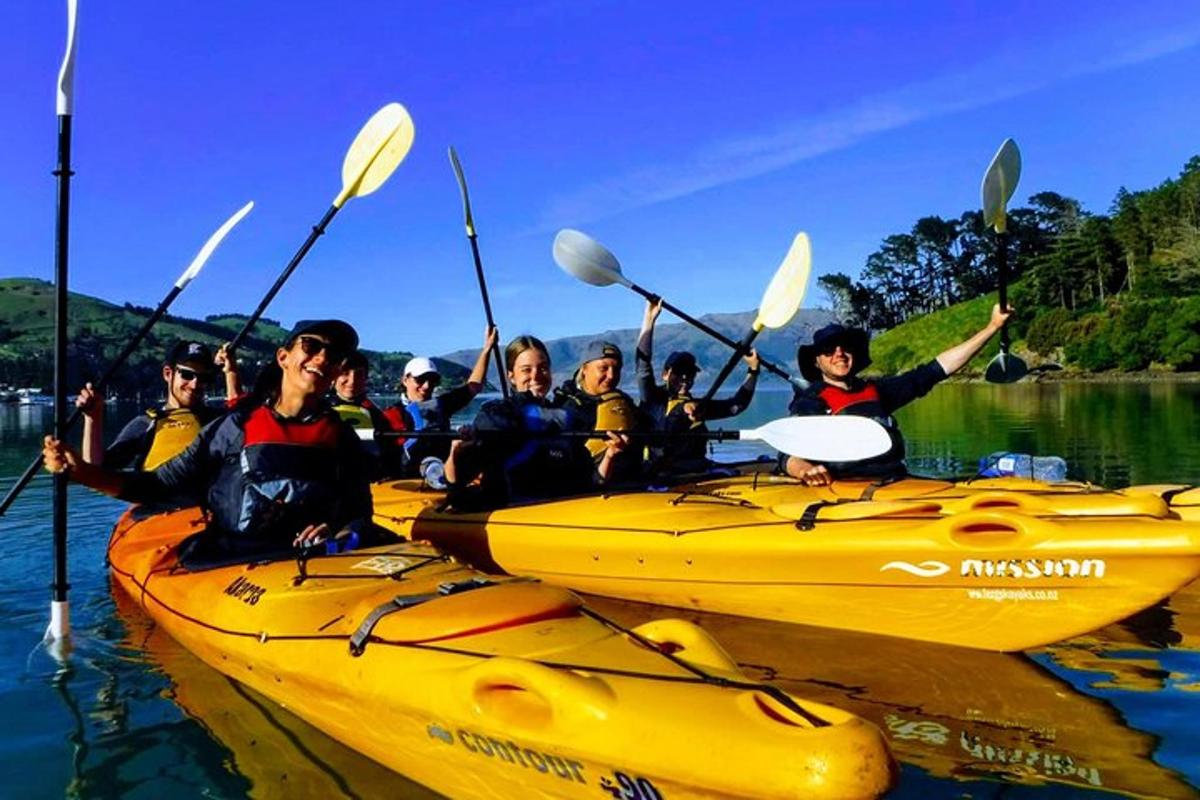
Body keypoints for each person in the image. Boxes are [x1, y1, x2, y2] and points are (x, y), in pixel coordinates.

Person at [44, 320, 376, 559]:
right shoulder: (234, 427)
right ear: (283, 357)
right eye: (311, 346)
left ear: (335, 371)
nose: (322, 358)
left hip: (314, 559)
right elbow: (156, 486)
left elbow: (360, 512)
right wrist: (83, 473)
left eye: (333, 355)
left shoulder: (340, 437)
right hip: (237, 559)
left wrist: (340, 536)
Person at [780, 304, 1013, 485]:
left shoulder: (876, 391)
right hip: (846, 489)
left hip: (896, 482)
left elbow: (937, 369)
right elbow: (786, 455)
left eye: (845, 347)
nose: (839, 354)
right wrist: (804, 470)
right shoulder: (811, 402)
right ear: (817, 362)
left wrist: (991, 327)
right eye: (829, 350)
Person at [445, 335, 627, 509]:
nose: (536, 375)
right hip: (513, 513)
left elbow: (591, 481)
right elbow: (459, 482)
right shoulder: (498, 415)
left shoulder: (565, 416)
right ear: (511, 376)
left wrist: (611, 454)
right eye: (526, 370)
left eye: (543, 368)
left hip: (564, 510)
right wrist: (457, 452)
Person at [635, 299, 761, 474]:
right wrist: (649, 320)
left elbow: (737, 405)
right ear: (665, 374)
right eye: (679, 372)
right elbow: (642, 365)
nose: (685, 377)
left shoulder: (699, 406)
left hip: (698, 469)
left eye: (690, 373)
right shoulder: (652, 398)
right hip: (663, 475)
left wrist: (753, 370)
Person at [77, 340, 224, 471]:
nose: (194, 384)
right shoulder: (145, 425)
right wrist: (93, 419)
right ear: (168, 374)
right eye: (186, 375)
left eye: (203, 378)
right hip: (160, 500)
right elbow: (94, 471)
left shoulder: (222, 421)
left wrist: (231, 373)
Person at [386, 327, 497, 475]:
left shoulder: (442, 405)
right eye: (420, 379)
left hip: (443, 476)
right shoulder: (391, 414)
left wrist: (487, 349)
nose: (427, 386)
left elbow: (473, 387)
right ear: (405, 380)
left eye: (432, 380)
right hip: (407, 481)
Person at [555, 339, 644, 483]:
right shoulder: (569, 409)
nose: (611, 376)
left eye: (616, 369)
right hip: (594, 490)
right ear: (584, 369)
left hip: (635, 483)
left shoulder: (624, 402)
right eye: (603, 368)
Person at [330, 350, 407, 477]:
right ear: (334, 377)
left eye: (359, 374)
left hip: (369, 482)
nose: (352, 380)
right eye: (345, 374)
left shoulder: (376, 415)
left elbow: (392, 455)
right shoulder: (319, 411)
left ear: (366, 378)